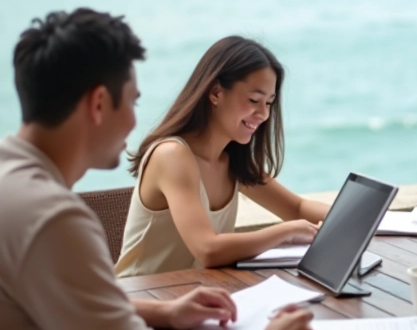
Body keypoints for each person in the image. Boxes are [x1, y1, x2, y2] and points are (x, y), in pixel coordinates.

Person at [0, 9, 314, 330]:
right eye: (132, 102)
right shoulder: (53, 219)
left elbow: (69, 303)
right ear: (99, 103)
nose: (135, 122)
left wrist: (166, 311)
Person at [116, 36, 329, 276]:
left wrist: (370, 221)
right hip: (138, 302)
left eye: (269, 103)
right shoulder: (172, 155)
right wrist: (286, 232)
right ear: (216, 92)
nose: (263, 114)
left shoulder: (230, 161)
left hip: (191, 299)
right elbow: (207, 249)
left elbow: (297, 208)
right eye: (253, 100)